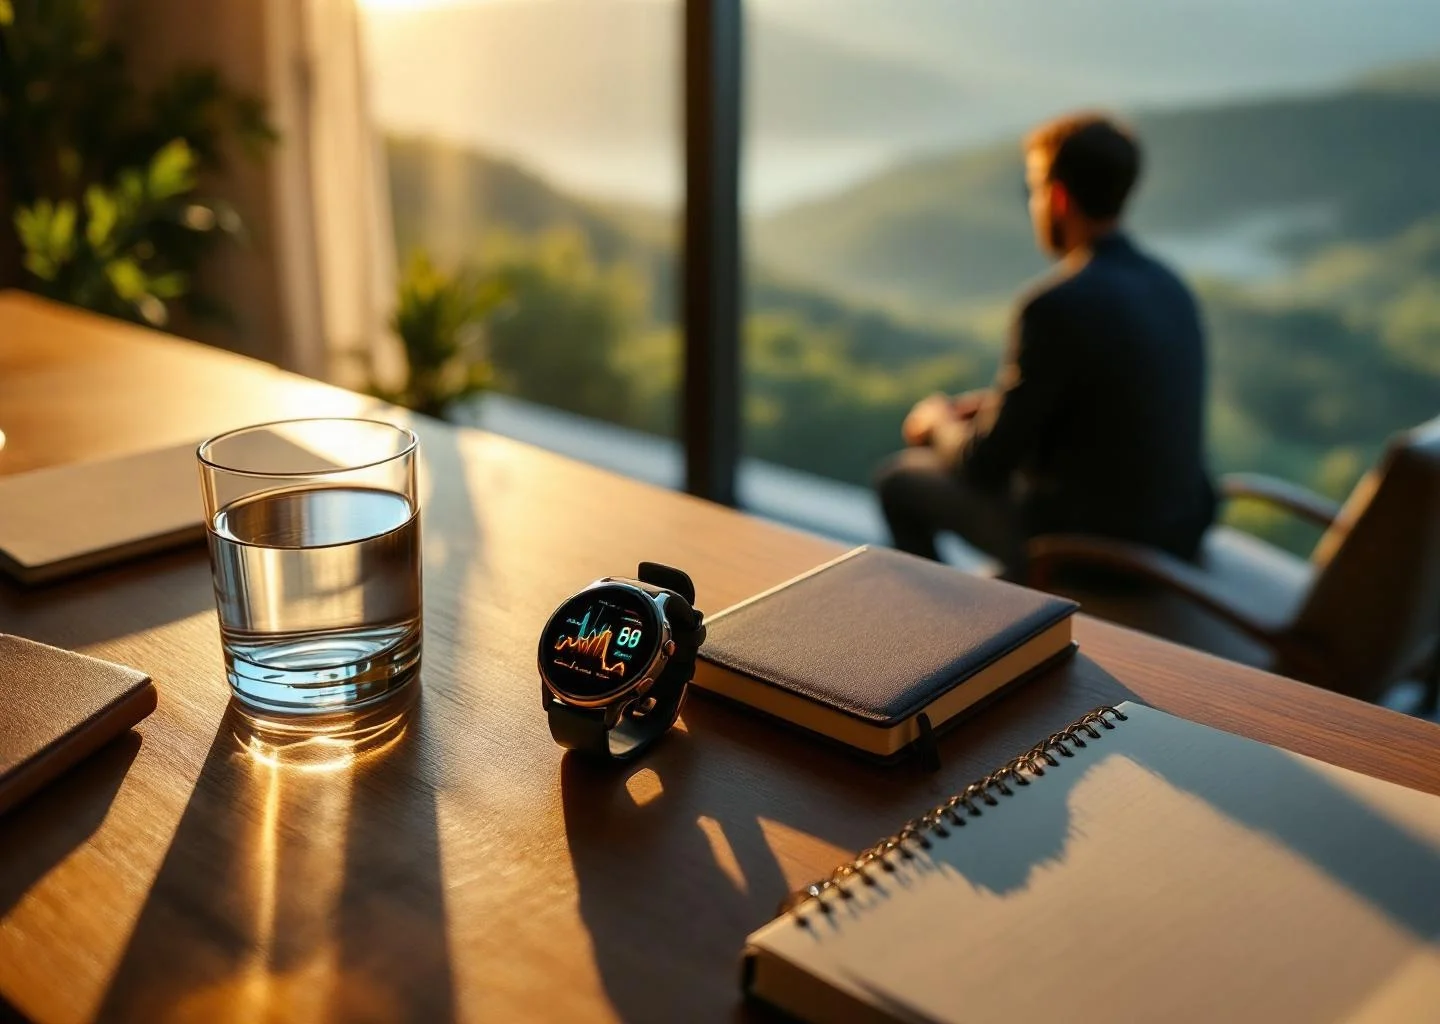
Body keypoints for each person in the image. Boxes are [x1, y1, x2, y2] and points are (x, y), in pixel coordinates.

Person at [875, 112, 1215, 575]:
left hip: (1088, 548)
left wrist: (936, 422)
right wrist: (996, 408)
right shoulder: (1170, 287)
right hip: (1174, 533)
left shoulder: (1053, 305)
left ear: (1056, 197)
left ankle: (953, 631)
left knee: (898, 481)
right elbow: (1112, 413)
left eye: (1033, 188)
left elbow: (983, 466)